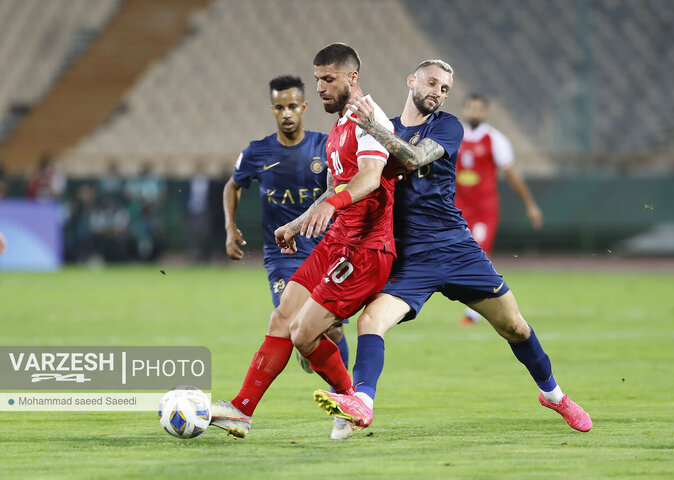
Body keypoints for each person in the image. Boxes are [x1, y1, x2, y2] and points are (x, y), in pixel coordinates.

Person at [313, 59, 592, 437]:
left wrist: (373, 128)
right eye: (431, 83)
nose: (438, 92)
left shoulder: (446, 126)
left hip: (455, 248)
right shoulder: (381, 127)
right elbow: (354, 183)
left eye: (445, 89)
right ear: (411, 81)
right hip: (408, 257)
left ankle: (554, 396)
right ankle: (362, 402)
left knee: (514, 326)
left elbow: (412, 159)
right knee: (370, 322)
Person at [211, 44, 397, 441]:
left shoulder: (370, 118)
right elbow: (334, 186)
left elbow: (369, 178)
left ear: (352, 78)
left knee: (304, 334)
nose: (320, 88)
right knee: (282, 319)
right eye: (317, 80)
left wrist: (332, 204)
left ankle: (351, 403)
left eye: (328, 79)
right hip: (335, 242)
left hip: (363, 248)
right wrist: (297, 223)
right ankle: (241, 411)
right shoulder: (340, 124)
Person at [221, 74, 349, 376]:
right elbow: (232, 186)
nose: (287, 113)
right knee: (293, 321)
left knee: (334, 331)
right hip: (283, 257)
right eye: (280, 108)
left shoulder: (324, 146)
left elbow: (341, 190)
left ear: (304, 107)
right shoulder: (258, 152)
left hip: (325, 252)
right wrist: (230, 227)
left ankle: (344, 392)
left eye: (292, 106)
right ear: (273, 110)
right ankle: (313, 352)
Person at [455, 94, 543, 325]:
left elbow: (512, 175)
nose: (474, 112)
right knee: (459, 257)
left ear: (485, 113)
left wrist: (530, 204)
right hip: (457, 209)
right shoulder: (453, 135)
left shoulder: (496, 140)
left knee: (479, 254)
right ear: (464, 110)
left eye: (478, 109)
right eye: (470, 108)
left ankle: (474, 312)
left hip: (484, 210)